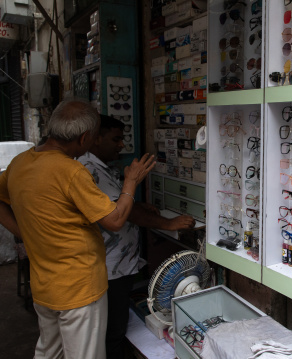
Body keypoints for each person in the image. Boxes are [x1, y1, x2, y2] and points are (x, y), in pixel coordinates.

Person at [0, 99, 155, 359]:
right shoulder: (71, 171)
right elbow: (115, 221)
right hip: (79, 289)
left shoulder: (20, 163)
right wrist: (131, 181)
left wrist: (25, 232)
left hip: (45, 285)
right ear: (84, 139)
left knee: (50, 352)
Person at [77, 115, 196, 359]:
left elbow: (120, 201)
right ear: (96, 138)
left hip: (117, 265)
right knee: (113, 329)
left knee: (115, 323)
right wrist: (167, 223)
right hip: (109, 268)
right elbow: (120, 214)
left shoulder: (101, 166)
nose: (121, 145)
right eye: (116, 139)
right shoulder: (89, 169)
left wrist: (139, 204)